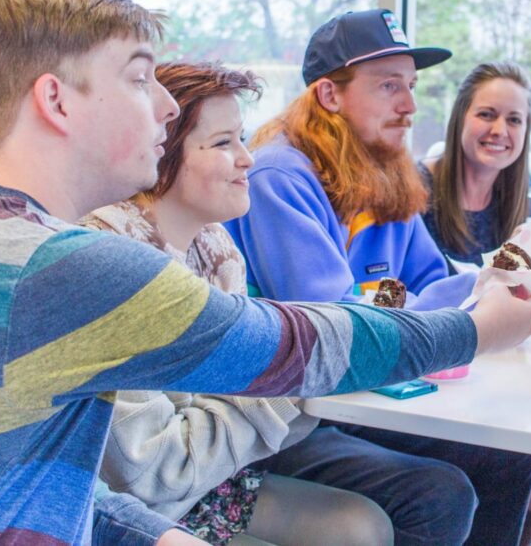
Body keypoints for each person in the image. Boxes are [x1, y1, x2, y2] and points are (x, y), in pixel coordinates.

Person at [0, 0, 531, 544]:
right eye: (140, 78)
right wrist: (477, 329)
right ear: (56, 102)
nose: (166, 107)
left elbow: (35, 482)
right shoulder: (75, 269)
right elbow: (316, 338)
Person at [225, 9, 531, 545]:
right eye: (389, 86)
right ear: (330, 95)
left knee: (510, 451)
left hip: (367, 389)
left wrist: (498, 283)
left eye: (412, 86)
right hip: (300, 409)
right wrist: (475, 304)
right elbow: (337, 327)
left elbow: (433, 280)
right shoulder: (280, 175)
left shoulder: (384, 170)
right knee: (443, 489)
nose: (410, 106)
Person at [83, 61, 392, 546]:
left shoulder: (216, 247)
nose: (248, 158)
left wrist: (275, 382)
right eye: (224, 143)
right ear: (159, 151)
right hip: (131, 513)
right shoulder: (108, 256)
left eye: (242, 138)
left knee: (368, 523)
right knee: (374, 521)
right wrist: (293, 378)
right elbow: (147, 476)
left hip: (211, 477)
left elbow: (235, 399)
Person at [419, 61, 531, 265]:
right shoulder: (416, 189)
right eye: (486, 115)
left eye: (514, 120)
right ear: (460, 117)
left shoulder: (512, 201)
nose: (500, 130)